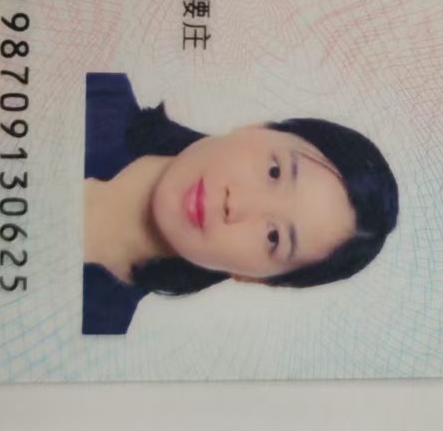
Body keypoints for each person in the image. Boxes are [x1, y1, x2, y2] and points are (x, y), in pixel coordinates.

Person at [81, 72, 398, 335]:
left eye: (273, 236)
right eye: (274, 172)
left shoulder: (96, 324)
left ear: (256, 278)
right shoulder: (90, 88)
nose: (237, 203)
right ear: (257, 128)